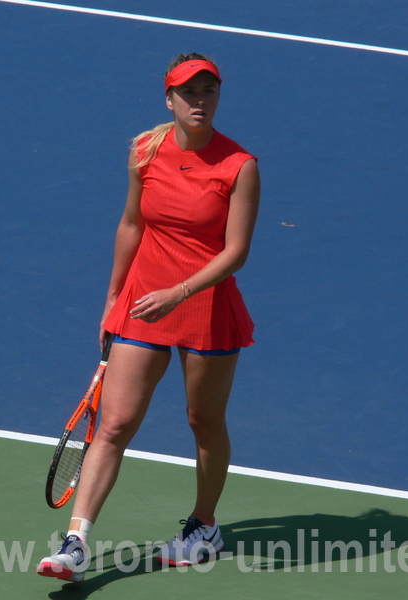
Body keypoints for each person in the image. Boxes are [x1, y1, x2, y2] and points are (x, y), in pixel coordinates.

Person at [37, 52, 260, 583]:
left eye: (208, 91)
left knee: (202, 420)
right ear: (170, 99)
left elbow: (236, 252)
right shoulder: (146, 150)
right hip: (143, 303)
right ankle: (75, 542)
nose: (199, 100)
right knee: (113, 424)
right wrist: (114, 296)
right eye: (188, 92)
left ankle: (203, 526)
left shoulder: (239, 166)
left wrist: (179, 292)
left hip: (203, 304)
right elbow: (132, 224)